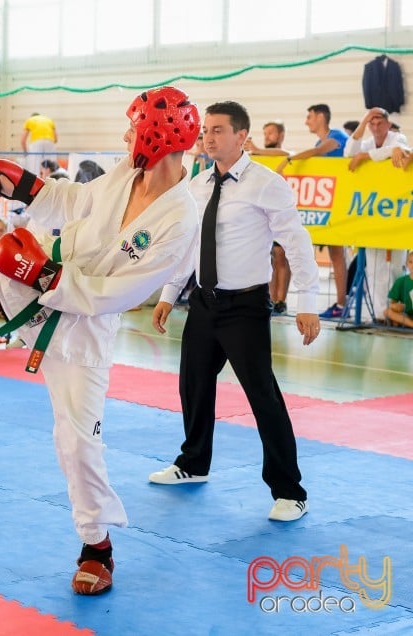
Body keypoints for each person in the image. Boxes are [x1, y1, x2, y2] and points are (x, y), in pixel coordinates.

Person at [0, 86, 203, 596]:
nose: (126, 135)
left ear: (156, 138)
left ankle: (96, 545)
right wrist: (23, 185)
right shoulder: (127, 173)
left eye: (134, 127)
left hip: (79, 327)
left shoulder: (180, 218)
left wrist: (49, 278)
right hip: (29, 266)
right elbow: (76, 200)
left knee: (76, 441)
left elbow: (124, 293)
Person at [149, 101, 320, 525]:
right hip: (204, 303)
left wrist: (308, 303)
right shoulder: (199, 184)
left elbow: (295, 244)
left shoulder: (266, 183)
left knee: (263, 396)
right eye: (205, 130)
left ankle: (289, 490)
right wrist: (169, 294)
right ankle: (193, 463)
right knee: (193, 386)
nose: (208, 137)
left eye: (218, 130)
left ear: (242, 137)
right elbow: (189, 246)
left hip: (245, 307)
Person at [276, 104, 349, 320]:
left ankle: (342, 303)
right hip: (331, 203)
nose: (307, 121)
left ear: (320, 116)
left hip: (341, 200)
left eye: (309, 116)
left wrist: (289, 160)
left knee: (338, 255)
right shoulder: (319, 140)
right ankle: (339, 303)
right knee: (335, 254)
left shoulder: (337, 136)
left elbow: (319, 151)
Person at [344, 108, 409, 322]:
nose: (375, 126)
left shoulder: (397, 137)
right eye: (371, 122)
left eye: (379, 122)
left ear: (388, 124)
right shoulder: (366, 143)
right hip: (372, 211)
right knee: (374, 268)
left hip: (396, 211)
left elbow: (401, 149)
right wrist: (363, 123)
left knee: (395, 267)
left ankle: (398, 312)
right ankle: (380, 315)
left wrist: (367, 157)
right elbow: (349, 153)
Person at [245, 121, 293, 314]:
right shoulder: (258, 158)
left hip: (281, 211)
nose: (267, 137)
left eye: (271, 133)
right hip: (263, 214)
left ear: (281, 135)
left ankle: (282, 298)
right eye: (265, 133)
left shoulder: (284, 156)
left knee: (282, 255)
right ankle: (272, 298)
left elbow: (286, 154)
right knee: (270, 257)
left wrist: (256, 149)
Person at [383, 252, 413, 328]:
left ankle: (407, 323)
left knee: (396, 322)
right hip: (408, 315)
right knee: (387, 312)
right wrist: (397, 306)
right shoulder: (401, 281)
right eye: (411, 262)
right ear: (407, 264)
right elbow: (392, 304)